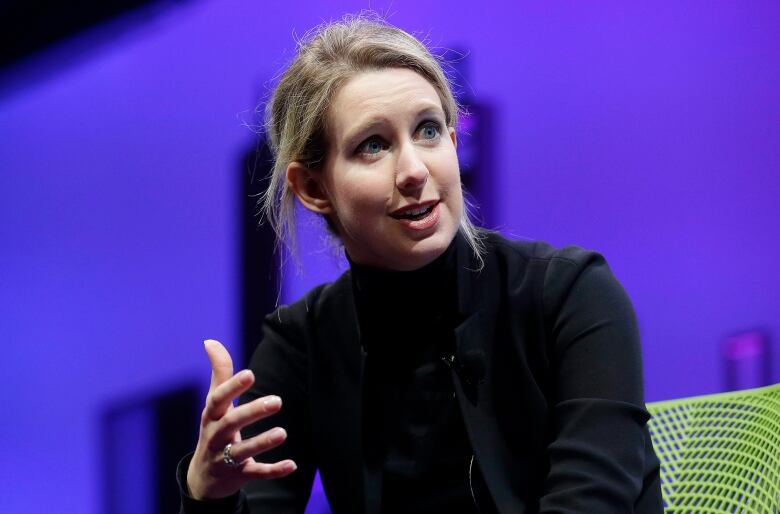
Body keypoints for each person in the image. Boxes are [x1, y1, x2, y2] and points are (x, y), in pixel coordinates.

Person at [178, 14, 663, 514]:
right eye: (374, 145)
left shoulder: (572, 295)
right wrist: (206, 494)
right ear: (314, 189)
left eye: (428, 131)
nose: (413, 170)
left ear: (454, 145)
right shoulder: (301, 345)